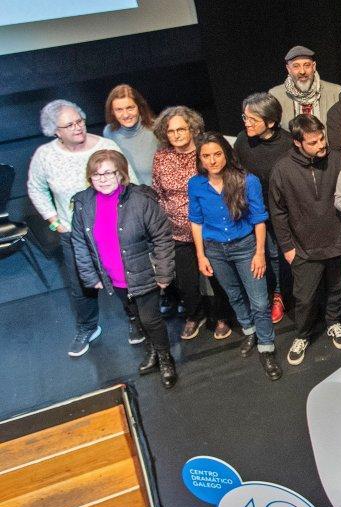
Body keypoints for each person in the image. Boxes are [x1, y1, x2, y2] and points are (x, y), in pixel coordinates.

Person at [27, 99, 130, 356]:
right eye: (69, 125)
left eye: (80, 121)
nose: (77, 127)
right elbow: (36, 188)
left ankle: (136, 320)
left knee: (125, 277)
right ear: (55, 131)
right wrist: (53, 220)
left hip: (113, 229)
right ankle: (88, 327)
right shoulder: (45, 156)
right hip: (74, 234)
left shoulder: (106, 146)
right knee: (80, 283)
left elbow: (130, 182)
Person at [70, 150, 176, 387]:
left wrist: (163, 272)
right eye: (96, 174)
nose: (103, 178)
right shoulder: (82, 204)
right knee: (136, 317)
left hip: (145, 273)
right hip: (113, 277)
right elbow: (79, 242)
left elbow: (162, 236)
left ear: (121, 174)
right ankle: (152, 351)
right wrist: (90, 276)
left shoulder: (140, 199)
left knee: (151, 319)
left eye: (108, 172)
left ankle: (165, 357)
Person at [188, 133, 281, 380]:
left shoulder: (246, 180)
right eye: (206, 156)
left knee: (260, 301)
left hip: (245, 246)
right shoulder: (196, 184)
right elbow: (196, 221)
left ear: (226, 154)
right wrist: (201, 256)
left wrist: (260, 252)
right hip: (215, 250)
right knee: (234, 295)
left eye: (217, 154)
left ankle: (266, 346)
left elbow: (259, 219)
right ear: (199, 158)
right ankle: (249, 329)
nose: (212, 160)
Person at [270, 115, 341, 366]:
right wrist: (287, 247)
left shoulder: (338, 159)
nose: (321, 145)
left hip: (338, 240)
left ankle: (333, 322)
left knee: (338, 290)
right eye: (313, 142)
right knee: (304, 297)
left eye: (322, 138)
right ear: (297, 142)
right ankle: (303, 335)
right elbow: (278, 211)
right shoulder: (282, 170)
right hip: (304, 247)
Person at [152, 105, 232, 341]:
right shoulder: (161, 156)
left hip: (209, 229)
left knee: (217, 277)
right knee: (186, 282)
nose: (176, 135)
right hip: (176, 231)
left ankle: (222, 316)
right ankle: (194, 316)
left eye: (181, 129)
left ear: (192, 129)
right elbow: (157, 190)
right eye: (171, 131)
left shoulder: (204, 152)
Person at [234, 92, 293, 324]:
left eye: (252, 119)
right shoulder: (242, 141)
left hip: (284, 210)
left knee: (281, 255)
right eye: (245, 118)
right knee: (266, 255)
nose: (247, 123)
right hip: (255, 212)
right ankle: (274, 295)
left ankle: (284, 294)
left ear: (270, 122)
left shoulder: (288, 143)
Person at [270, 45, 341, 128]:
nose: (302, 71)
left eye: (307, 65)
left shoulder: (336, 92)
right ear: (288, 69)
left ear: (314, 66)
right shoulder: (276, 96)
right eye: (296, 66)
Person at [102, 84, 156, 185]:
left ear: (139, 107)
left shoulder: (156, 130)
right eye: (119, 110)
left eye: (130, 108)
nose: (126, 115)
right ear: (112, 112)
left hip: (154, 196)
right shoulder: (109, 132)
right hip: (126, 196)